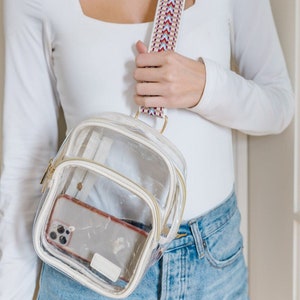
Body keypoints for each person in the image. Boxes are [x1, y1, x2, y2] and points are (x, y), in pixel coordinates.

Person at [0, 0, 294, 299]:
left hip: (212, 263)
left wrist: (206, 87)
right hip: (87, 262)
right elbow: (25, 164)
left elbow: (279, 105)